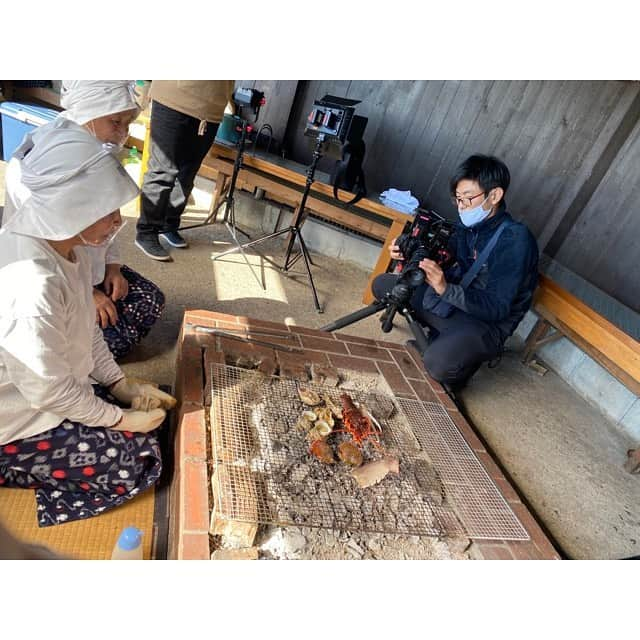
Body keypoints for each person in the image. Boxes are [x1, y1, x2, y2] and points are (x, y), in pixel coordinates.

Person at [0, 120, 176, 527]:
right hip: (15, 417)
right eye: (106, 211)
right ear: (69, 209)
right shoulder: (32, 283)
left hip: (45, 391)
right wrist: (118, 418)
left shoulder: (65, 250)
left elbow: (87, 329)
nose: (117, 222)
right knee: (139, 459)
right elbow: (50, 390)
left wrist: (118, 384)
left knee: (143, 427)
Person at [3, 80, 165, 360]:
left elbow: (108, 226)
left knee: (149, 300)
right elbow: (51, 251)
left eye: (127, 124)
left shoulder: (97, 149)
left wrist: (112, 267)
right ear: (88, 112)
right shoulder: (41, 166)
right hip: (55, 272)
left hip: (83, 266)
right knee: (73, 340)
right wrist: (86, 292)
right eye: (116, 122)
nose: (123, 133)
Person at [372, 154, 539, 392]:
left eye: (468, 199)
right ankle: (438, 340)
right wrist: (407, 248)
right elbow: (442, 252)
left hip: (485, 324)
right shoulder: (469, 226)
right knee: (383, 286)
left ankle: (454, 359)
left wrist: (445, 289)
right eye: (457, 199)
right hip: (453, 304)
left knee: (437, 365)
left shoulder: (515, 240)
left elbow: (498, 308)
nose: (461, 207)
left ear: (494, 195)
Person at [135, 80, 235, 261]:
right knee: (163, 170)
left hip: (211, 110)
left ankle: (169, 225)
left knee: (187, 174)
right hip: (173, 98)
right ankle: (146, 232)